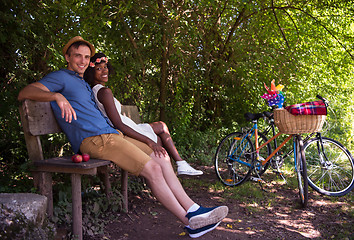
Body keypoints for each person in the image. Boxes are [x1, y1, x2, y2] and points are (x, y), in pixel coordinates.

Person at [18, 36, 228, 238]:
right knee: (152, 169)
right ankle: (190, 223)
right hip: (95, 139)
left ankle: (194, 209)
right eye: (77, 56)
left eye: (86, 57)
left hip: (112, 135)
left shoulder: (82, 82)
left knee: (161, 157)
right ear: (67, 57)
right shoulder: (61, 77)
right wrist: (57, 95)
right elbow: (25, 92)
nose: (82, 61)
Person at [83, 52, 203, 176]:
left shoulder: (97, 90)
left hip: (127, 124)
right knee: (157, 138)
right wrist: (149, 142)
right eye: (98, 69)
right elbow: (118, 124)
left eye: (105, 67)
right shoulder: (104, 92)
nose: (104, 71)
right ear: (91, 73)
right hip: (123, 128)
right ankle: (171, 170)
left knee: (161, 126)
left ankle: (177, 166)